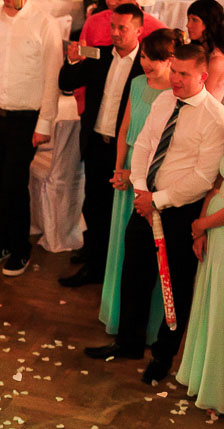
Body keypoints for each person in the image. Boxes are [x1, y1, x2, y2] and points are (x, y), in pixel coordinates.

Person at [85, 45, 224, 385]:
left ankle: (163, 356)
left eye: (183, 74)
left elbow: (204, 177)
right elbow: (146, 144)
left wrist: (157, 200)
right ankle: (128, 342)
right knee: (134, 273)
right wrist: (140, 190)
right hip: (145, 202)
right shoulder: (164, 100)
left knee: (173, 288)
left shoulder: (215, 117)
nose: (174, 79)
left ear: (203, 76)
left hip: (179, 211)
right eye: (174, 71)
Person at [0, 0, 62, 277]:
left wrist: (45, 121)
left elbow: (52, 76)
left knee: (14, 183)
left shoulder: (45, 23)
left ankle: (21, 246)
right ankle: (4, 241)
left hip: (25, 118)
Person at [100, 29, 181, 340]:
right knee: (121, 245)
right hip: (129, 170)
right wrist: (120, 167)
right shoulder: (136, 84)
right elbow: (123, 130)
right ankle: (116, 315)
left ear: (170, 60)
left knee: (148, 252)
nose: (146, 63)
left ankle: (147, 327)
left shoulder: (174, 95)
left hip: (151, 174)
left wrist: (137, 174)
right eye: (145, 56)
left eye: (155, 58)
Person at [56, 3, 145, 288]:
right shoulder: (99, 55)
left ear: (139, 31)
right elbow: (67, 84)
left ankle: (108, 266)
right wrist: (71, 62)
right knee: (92, 205)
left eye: (123, 28)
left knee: (116, 211)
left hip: (124, 150)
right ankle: (93, 260)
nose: (115, 33)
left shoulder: (145, 64)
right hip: (95, 142)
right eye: (113, 27)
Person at [178, 172, 224, 412]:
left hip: (219, 225)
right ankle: (209, 383)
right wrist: (200, 229)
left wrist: (203, 223)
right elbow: (216, 184)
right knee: (213, 305)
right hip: (215, 231)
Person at [79, 0, 165, 48]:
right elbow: (83, 57)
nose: (111, 2)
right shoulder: (94, 21)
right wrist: (74, 60)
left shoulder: (156, 29)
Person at [185, 0, 224, 101]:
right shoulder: (200, 50)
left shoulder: (217, 60)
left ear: (209, 23)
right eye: (188, 19)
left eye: (194, 20)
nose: (188, 25)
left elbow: (204, 101)